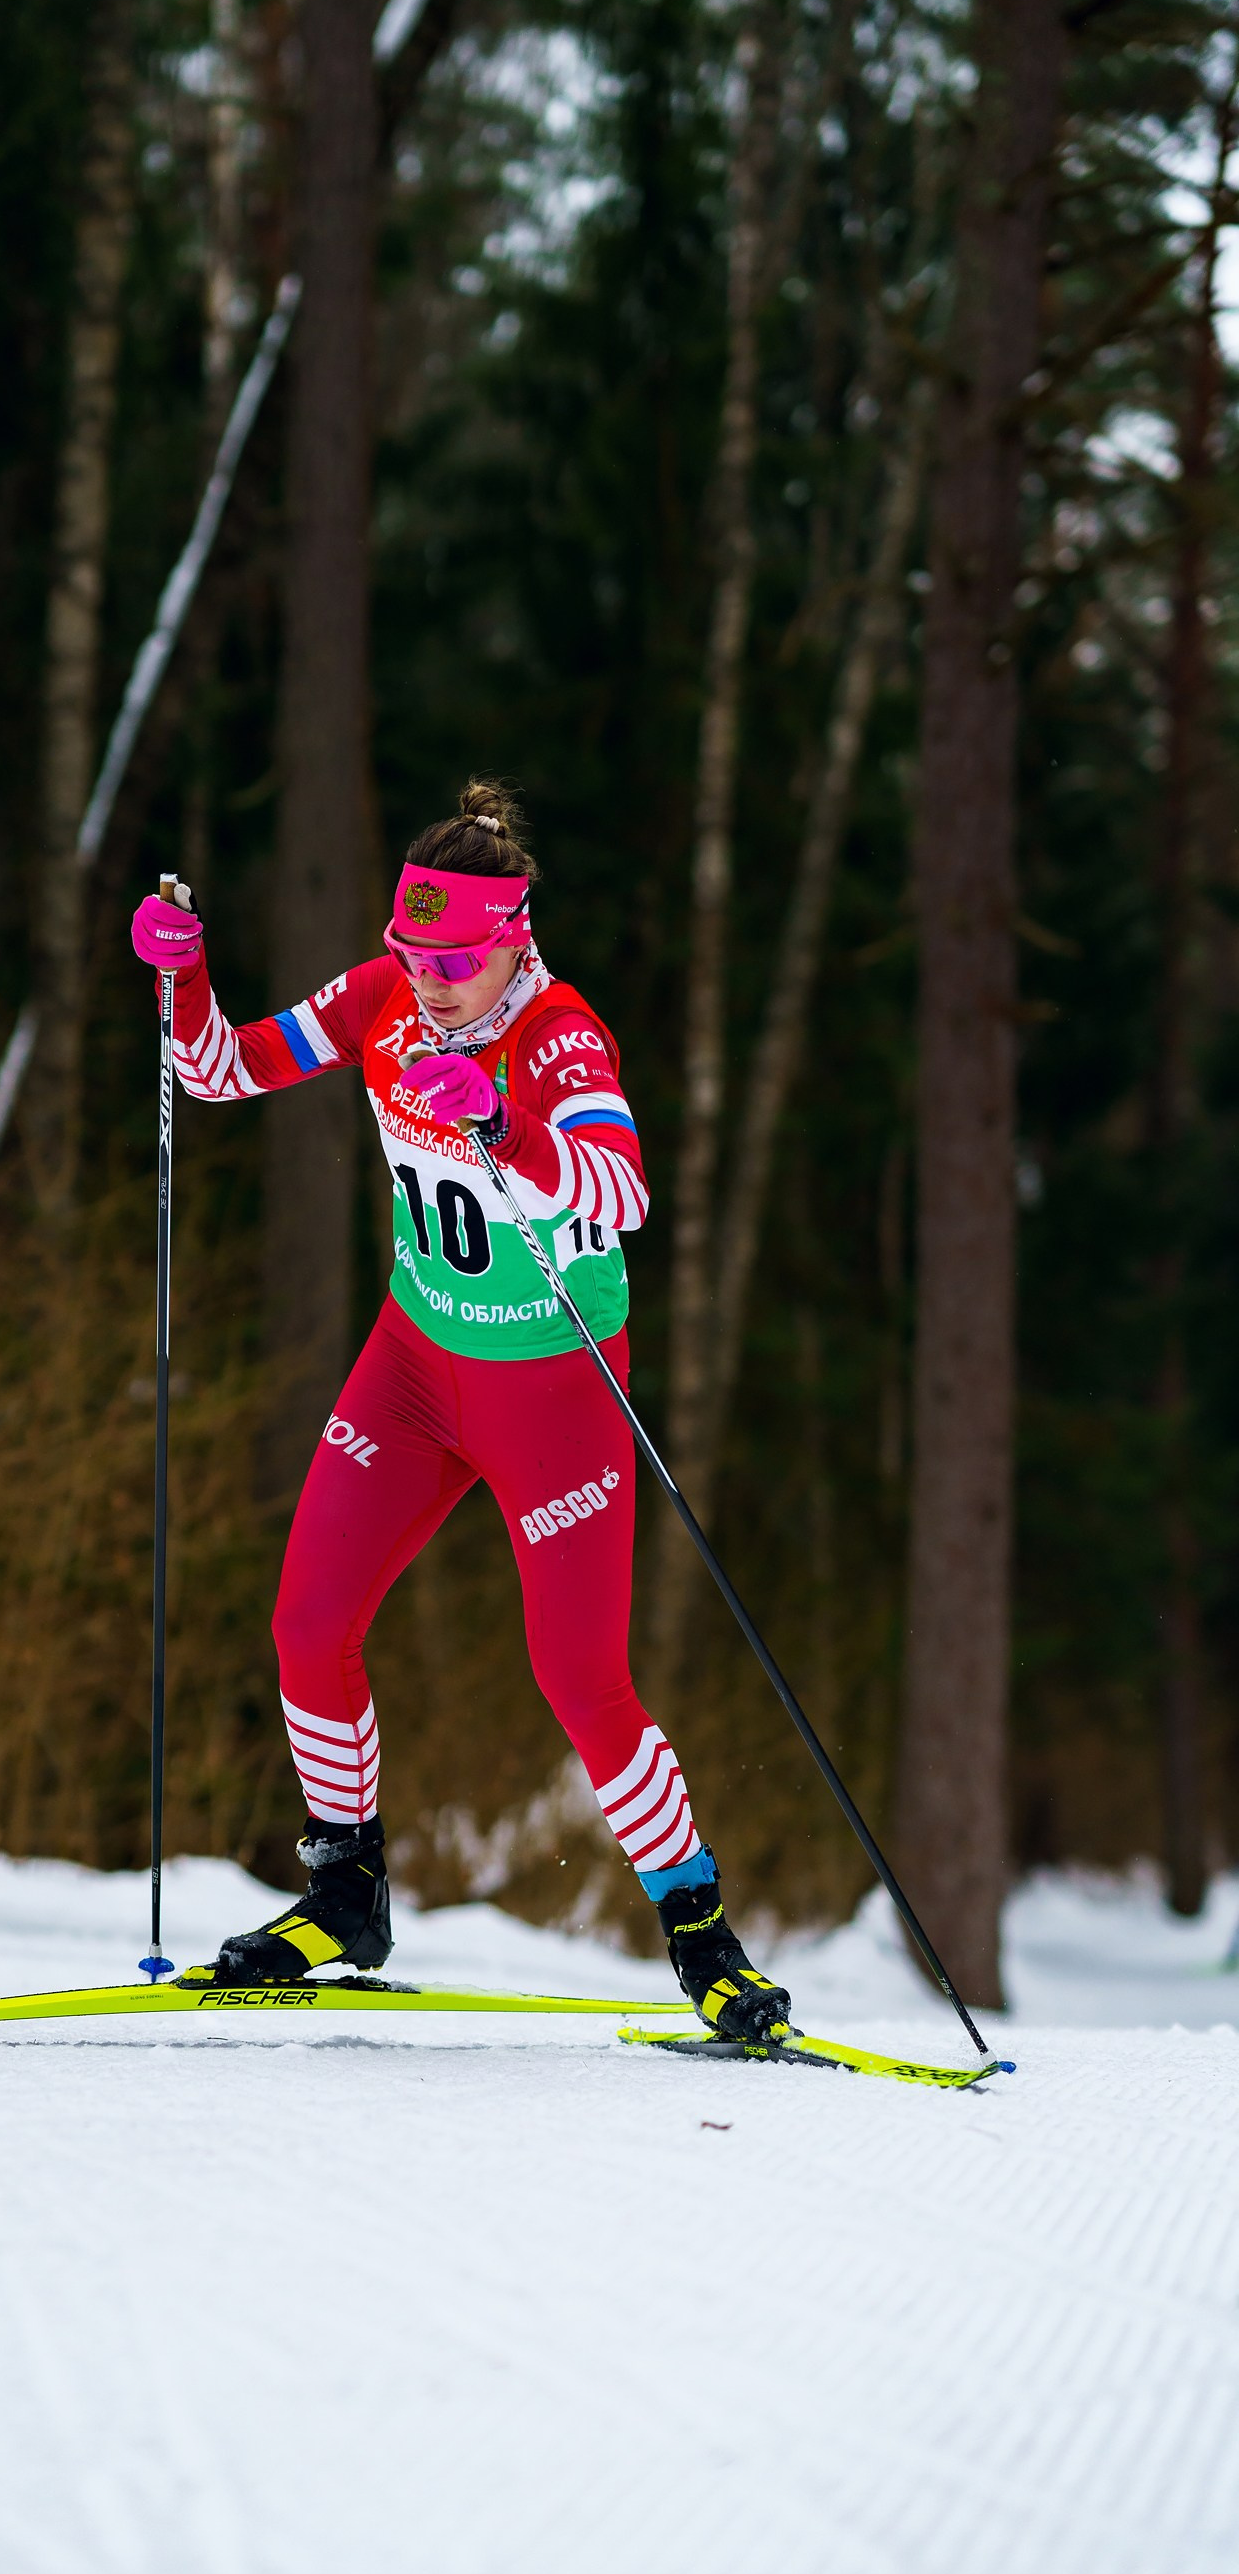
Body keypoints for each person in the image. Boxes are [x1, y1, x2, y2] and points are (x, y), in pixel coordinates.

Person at [128, 779, 794, 2041]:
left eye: (454, 957)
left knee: (580, 1680)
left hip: (550, 1392)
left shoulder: (556, 1037)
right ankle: (343, 1891)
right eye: (409, 951)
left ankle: (701, 1936)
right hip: (415, 1365)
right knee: (306, 1622)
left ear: (511, 940)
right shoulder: (384, 1000)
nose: (427, 980)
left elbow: (619, 1190)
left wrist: (499, 1120)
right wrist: (185, 975)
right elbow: (219, 1072)